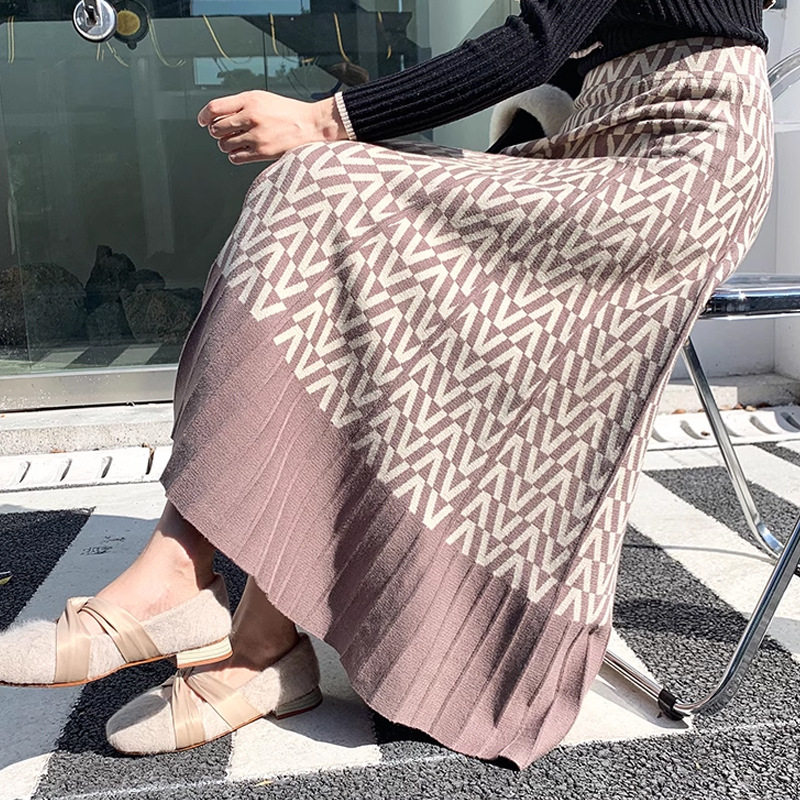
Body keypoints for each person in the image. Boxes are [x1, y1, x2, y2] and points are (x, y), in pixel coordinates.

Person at [0, 1, 774, 770]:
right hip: (587, 140)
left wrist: (326, 119)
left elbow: (540, 41)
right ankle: (255, 633)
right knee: (341, 231)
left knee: (319, 184)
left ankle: (198, 588)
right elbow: (573, 56)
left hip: (677, 161)